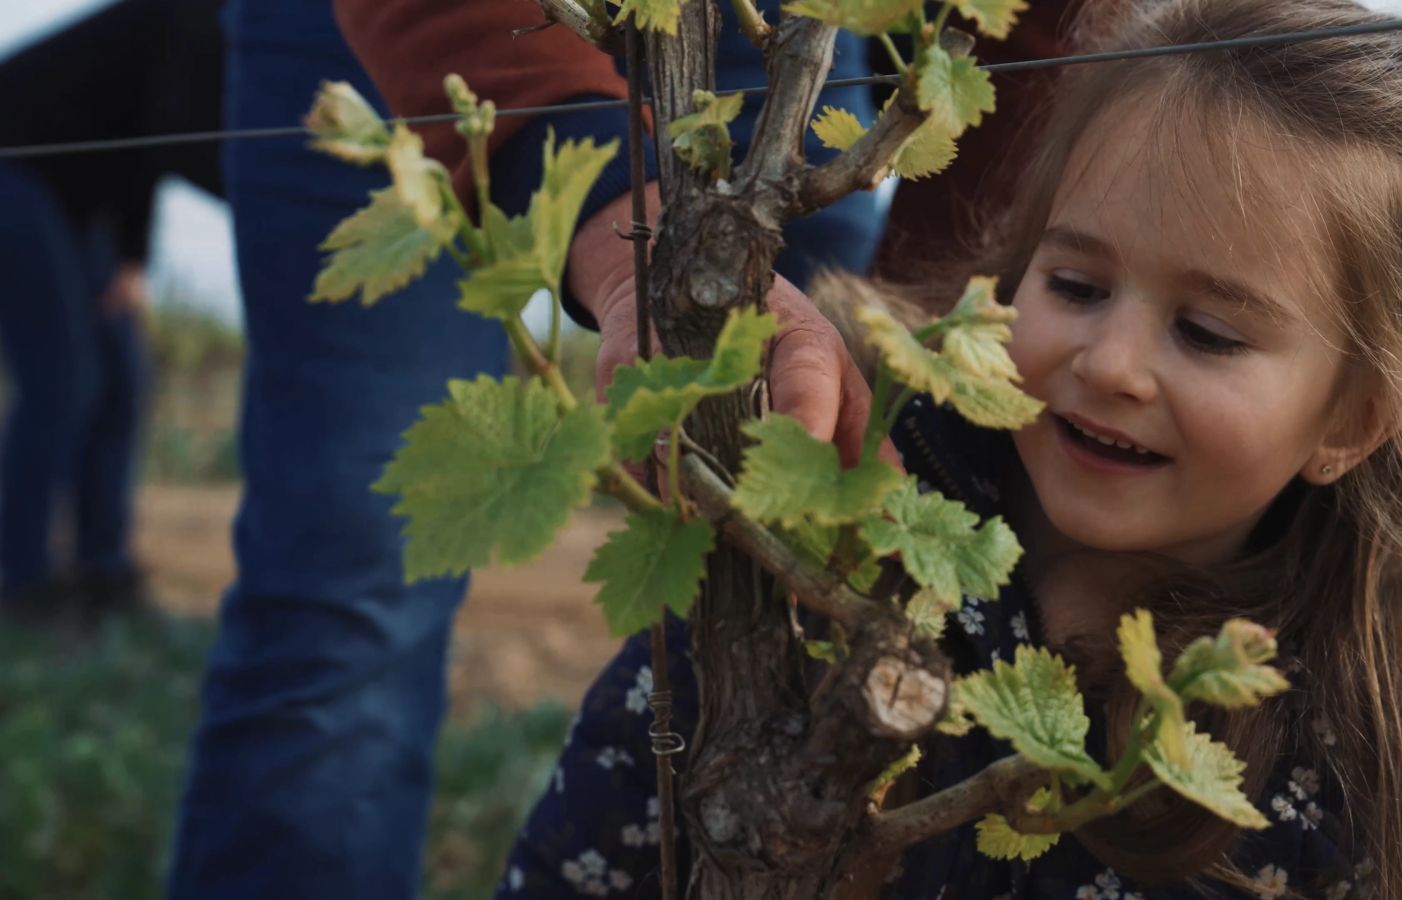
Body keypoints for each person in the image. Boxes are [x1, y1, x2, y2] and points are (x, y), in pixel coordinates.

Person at [498, 0, 1402, 897]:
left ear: (1348, 422)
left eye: (1207, 333)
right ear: (1007, 277)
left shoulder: (1371, 788)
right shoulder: (819, 568)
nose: (1111, 361)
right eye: (1073, 285)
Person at [167, 0, 891, 896]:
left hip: (787, 27)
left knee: (829, 499)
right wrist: (636, 254)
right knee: (350, 566)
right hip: (397, 32)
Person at [0, 0, 224, 620]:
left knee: (121, 379)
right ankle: (19, 580)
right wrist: (132, 255)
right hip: (15, 171)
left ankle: (103, 571)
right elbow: (165, 134)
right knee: (62, 379)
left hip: (77, 196)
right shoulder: (193, 16)